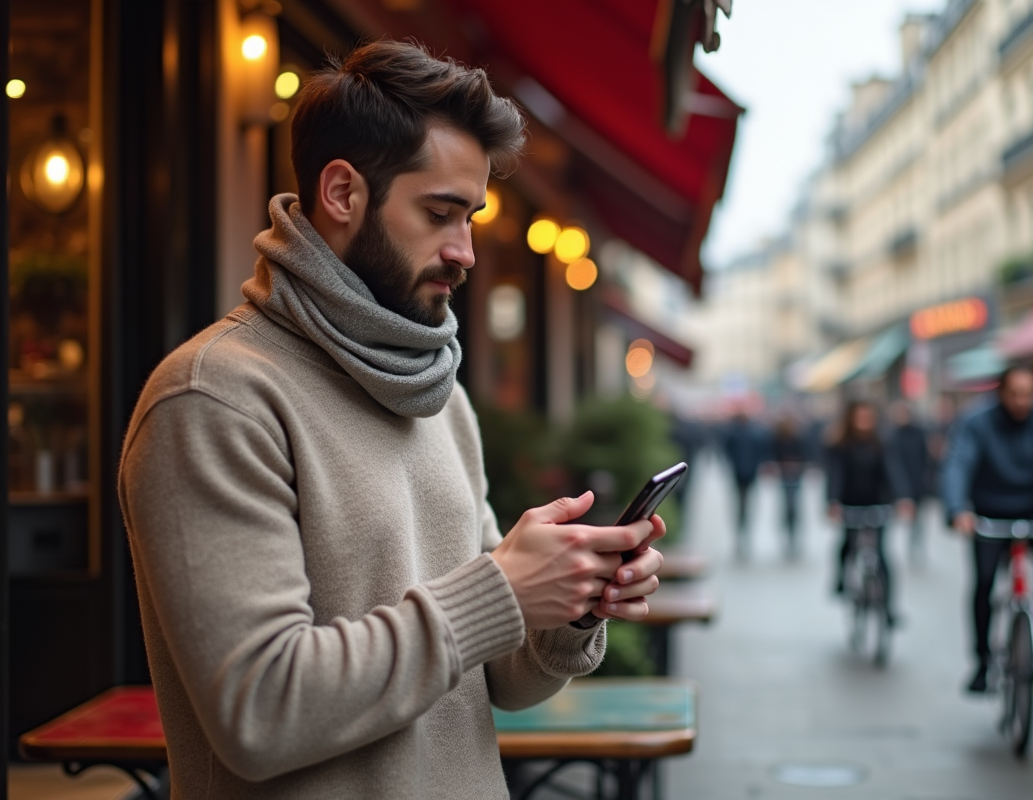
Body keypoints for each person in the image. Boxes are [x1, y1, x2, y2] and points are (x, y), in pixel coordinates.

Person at [118, 41, 666, 799]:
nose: (465, 250)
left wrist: (564, 606)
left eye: (471, 217)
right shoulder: (212, 398)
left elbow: (498, 680)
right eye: (439, 213)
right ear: (342, 193)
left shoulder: (440, 396)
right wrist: (499, 592)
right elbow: (259, 712)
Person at [941, 366, 1033, 694]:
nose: (1022, 401)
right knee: (984, 582)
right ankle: (981, 661)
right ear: (1001, 393)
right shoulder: (976, 422)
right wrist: (957, 509)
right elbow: (959, 464)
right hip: (988, 513)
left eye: (1028, 394)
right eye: (1015, 394)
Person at [825, 400, 912, 624]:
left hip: (877, 504)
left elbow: (893, 470)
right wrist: (833, 501)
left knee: (882, 555)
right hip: (850, 504)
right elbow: (835, 474)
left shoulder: (882, 442)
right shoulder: (841, 444)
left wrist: (902, 498)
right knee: (847, 545)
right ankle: (841, 580)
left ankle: (889, 607)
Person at [723, 410, 767, 559]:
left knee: (742, 504)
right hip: (746, 473)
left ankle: (742, 530)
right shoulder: (751, 433)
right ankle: (743, 530)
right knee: (744, 504)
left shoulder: (735, 433)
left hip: (743, 473)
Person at [888, 400, 930, 555]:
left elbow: (925, 458)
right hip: (899, 485)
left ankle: (916, 547)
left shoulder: (919, 433)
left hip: (917, 482)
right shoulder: (891, 435)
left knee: (918, 520)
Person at [772, 414, 810, 558]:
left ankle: (794, 535)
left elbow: (805, 454)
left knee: (793, 505)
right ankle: (788, 534)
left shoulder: (798, 438)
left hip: (795, 475)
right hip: (785, 475)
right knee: (788, 505)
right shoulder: (778, 438)